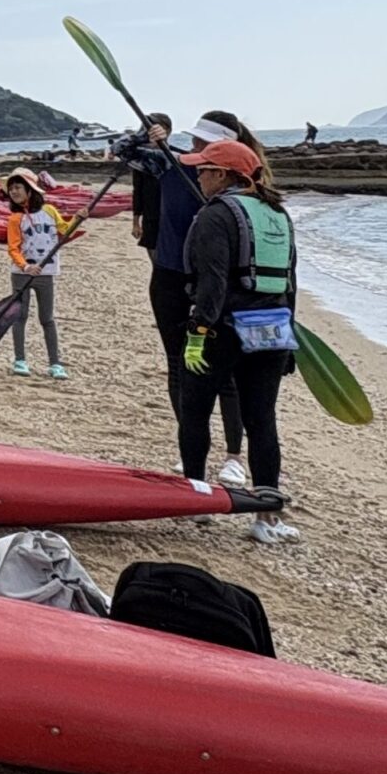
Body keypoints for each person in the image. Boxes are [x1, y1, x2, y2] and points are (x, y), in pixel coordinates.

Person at [177, 137, 300, 544]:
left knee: (194, 410)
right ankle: (268, 518)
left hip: (222, 330)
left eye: (204, 169)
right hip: (272, 329)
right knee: (262, 421)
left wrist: (198, 330)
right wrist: (291, 340)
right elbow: (289, 283)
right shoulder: (277, 213)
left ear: (224, 175)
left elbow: (211, 280)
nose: (199, 175)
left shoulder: (216, 215)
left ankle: (195, 502)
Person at [128, 111, 256, 485]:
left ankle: (234, 456)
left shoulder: (233, 183)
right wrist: (149, 136)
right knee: (178, 365)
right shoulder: (173, 161)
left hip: (213, 281)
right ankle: (192, 448)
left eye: (206, 142)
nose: (198, 148)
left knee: (224, 370)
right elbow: (124, 153)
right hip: (169, 275)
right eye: (197, 140)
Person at [2, 167, 69, 379]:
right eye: (11, 188)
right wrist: (25, 266)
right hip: (22, 274)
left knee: (47, 318)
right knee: (19, 317)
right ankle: (20, 360)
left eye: (18, 187)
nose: (13, 191)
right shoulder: (14, 219)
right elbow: (13, 248)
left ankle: (55, 364)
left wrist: (79, 217)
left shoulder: (50, 211)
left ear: (30, 190)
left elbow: (66, 231)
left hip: (46, 273)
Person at [130, 111, 172, 263]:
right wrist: (136, 222)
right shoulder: (142, 159)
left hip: (171, 216)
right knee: (156, 262)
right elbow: (138, 190)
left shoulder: (176, 157)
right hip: (151, 215)